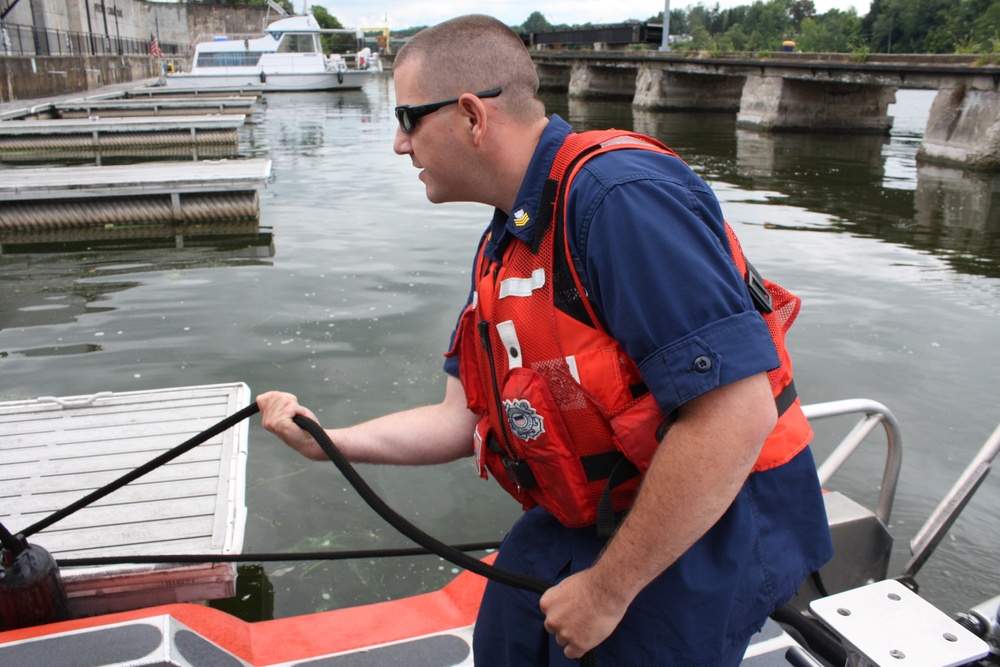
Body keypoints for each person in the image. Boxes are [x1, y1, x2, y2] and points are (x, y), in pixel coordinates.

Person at [258, 13, 833, 666]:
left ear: (472, 116)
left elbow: (736, 413)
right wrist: (326, 442)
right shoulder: (509, 236)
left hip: (720, 512)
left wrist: (608, 590)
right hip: (602, 508)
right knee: (506, 638)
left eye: (408, 119)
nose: (398, 144)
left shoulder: (621, 200)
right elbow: (462, 416)